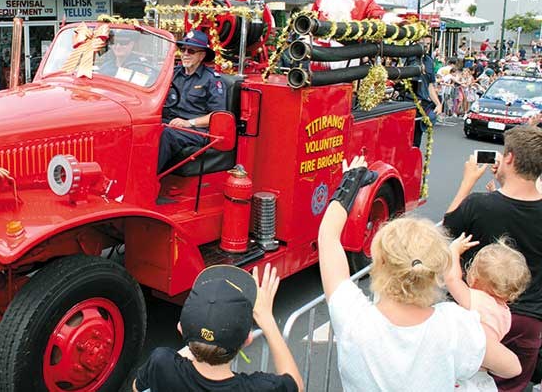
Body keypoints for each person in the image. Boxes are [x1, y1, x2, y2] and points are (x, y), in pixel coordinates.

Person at [318, 156, 521, 391]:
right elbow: (512, 367)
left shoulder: (354, 318)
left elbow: (328, 237)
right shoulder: (455, 325)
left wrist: (350, 181)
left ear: (380, 263)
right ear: (435, 272)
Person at [443, 126, 542, 392]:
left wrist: (467, 182)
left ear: (509, 158)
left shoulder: (480, 205)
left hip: (476, 312)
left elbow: (448, 228)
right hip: (528, 319)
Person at [132, 264, 303, 392]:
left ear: (180, 328)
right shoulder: (257, 388)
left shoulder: (161, 362)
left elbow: (137, 387)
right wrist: (267, 320)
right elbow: (296, 385)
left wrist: (198, 340)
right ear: (247, 340)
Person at [445, 234, 531, 391]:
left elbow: (452, 279)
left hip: (460, 370)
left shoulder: (475, 299)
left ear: (474, 279)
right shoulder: (505, 315)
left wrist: (454, 251)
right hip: (481, 375)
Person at [157, 30, 226, 174]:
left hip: (196, 130)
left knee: (167, 134)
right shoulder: (172, 73)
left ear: (202, 55)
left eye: (191, 51)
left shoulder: (212, 79)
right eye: (183, 49)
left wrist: (189, 123)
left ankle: (145, 181)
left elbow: (218, 115)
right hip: (170, 122)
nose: (185, 54)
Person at [409, 34, 443, 146]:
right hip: (407, 103)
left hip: (421, 105)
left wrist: (438, 104)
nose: (426, 46)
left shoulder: (428, 60)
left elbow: (429, 85)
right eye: (423, 43)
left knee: (416, 142)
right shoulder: (408, 57)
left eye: (428, 44)